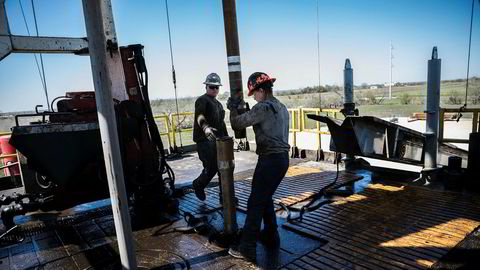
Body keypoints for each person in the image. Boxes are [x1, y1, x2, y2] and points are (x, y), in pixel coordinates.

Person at [227, 72, 290, 262]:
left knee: (255, 202)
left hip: (269, 161)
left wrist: (232, 109)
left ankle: (247, 248)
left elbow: (237, 123)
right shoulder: (282, 106)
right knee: (265, 197)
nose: (254, 97)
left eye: (254, 93)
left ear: (262, 91)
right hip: (282, 160)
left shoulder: (263, 107)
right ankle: (271, 235)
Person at [192, 73, 229, 202]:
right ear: (206, 87)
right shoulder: (202, 100)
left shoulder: (218, 104)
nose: (214, 90)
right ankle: (198, 184)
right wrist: (207, 131)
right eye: (211, 87)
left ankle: (224, 196)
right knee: (212, 166)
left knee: (223, 168)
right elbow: (200, 117)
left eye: (216, 87)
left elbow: (221, 122)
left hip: (217, 141)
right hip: (204, 141)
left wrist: (226, 138)